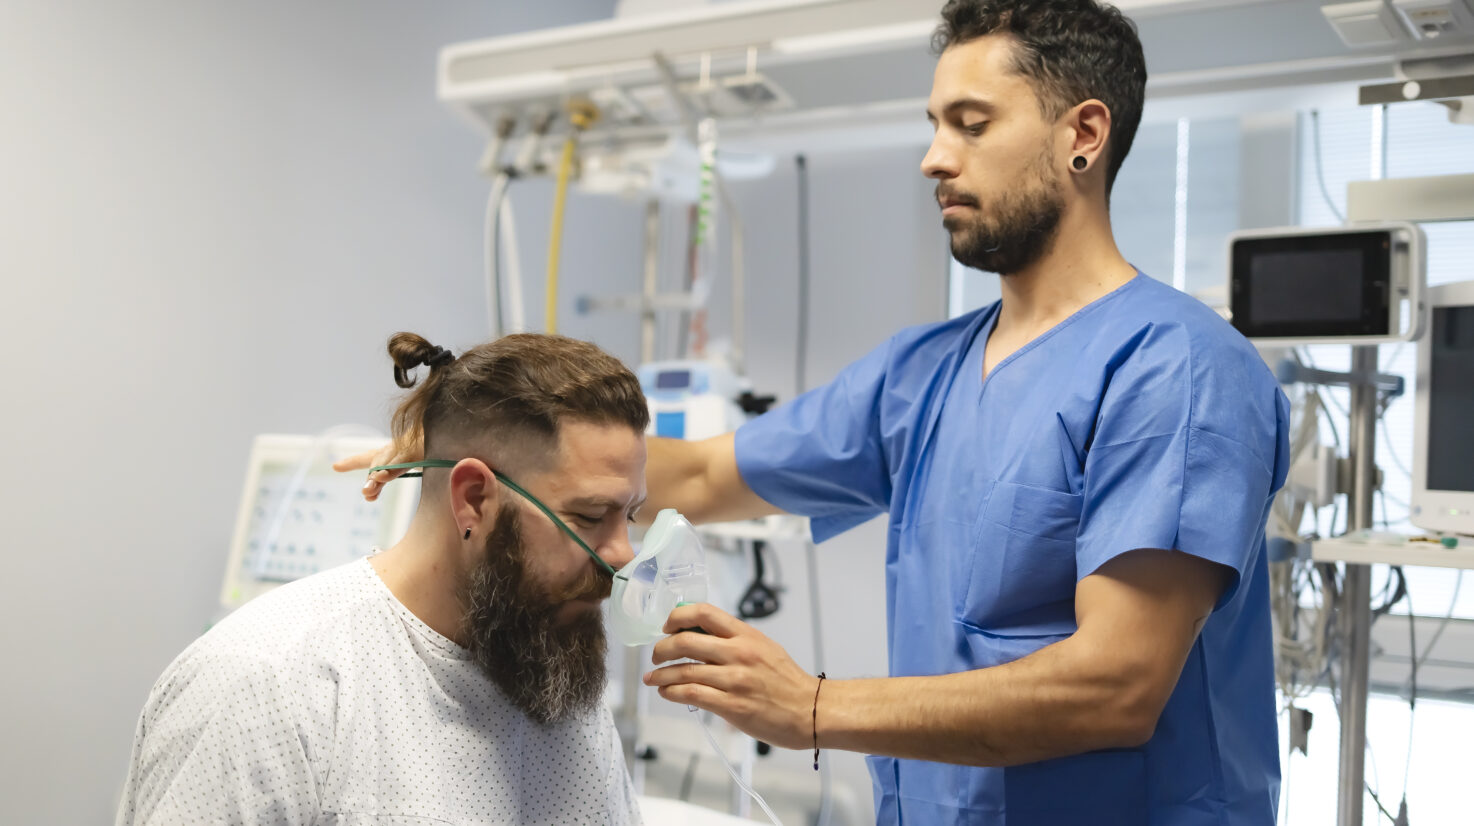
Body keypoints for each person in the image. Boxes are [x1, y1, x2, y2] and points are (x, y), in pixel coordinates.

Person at [350, 1, 1291, 822]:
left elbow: (1117, 688)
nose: (934, 158)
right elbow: (706, 474)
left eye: (971, 124)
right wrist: (457, 444)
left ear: (1083, 134)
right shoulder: (922, 376)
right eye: (934, 124)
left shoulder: (1177, 370)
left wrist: (809, 707)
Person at [118, 333, 651, 825]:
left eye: (628, 516)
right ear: (472, 499)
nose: (622, 557)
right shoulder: (267, 689)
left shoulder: (551, 668)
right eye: (587, 517)